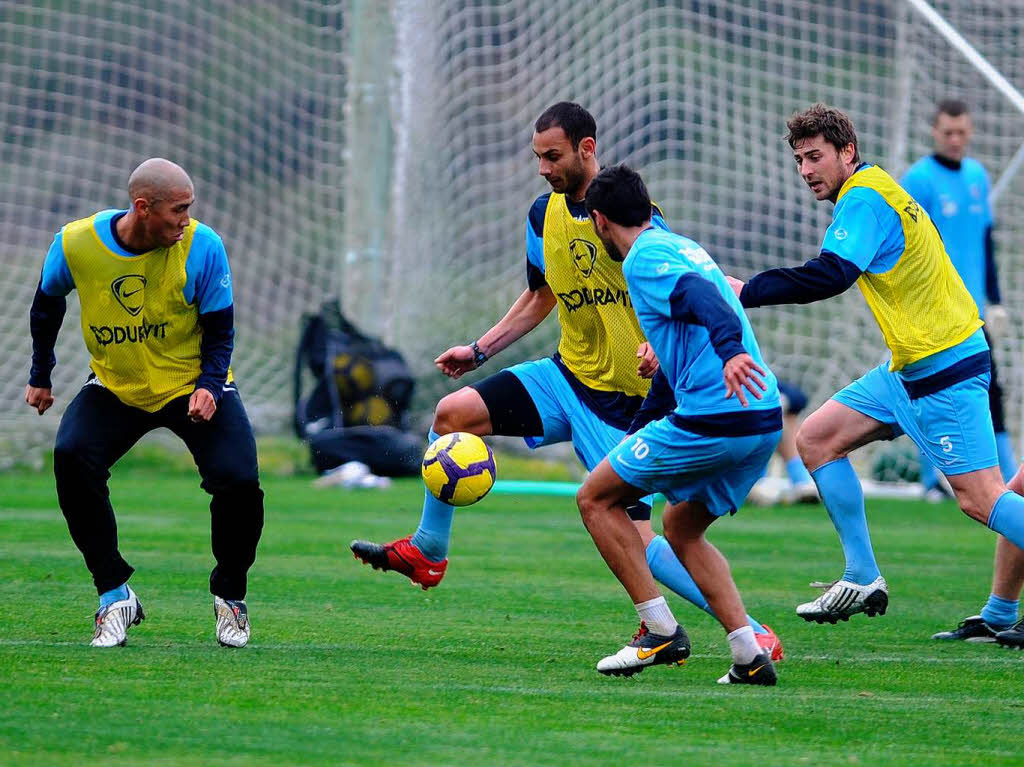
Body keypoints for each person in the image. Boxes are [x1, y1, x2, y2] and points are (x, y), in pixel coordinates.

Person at [349, 102, 782, 660]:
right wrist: (480, 349)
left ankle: (748, 630)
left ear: (587, 149)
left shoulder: (636, 223)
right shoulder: (541, 216)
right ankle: (430, 549)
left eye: (552, 156)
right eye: (537, 158)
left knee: (639, 537)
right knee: (452, 414)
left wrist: (658, 348)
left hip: (624, 406)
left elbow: (684, 293)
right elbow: (540, 295)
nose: (543, 168)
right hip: (565, 377)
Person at [727, 103, 1024, 626]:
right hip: (907, 371)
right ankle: (863, 576)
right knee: (815, 438)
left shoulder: (864, 196)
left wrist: (745, 290)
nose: (806, 170)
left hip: (944, 366)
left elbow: (830, 276)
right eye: (799, 159)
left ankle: (994, 609)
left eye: (815, 157)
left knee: (981, 499)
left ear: (848, 152)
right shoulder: (874, 184)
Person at [24, 158, 264, 648]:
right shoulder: (76, 243)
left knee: (239, 480)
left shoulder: (203, 245)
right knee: (72, 456)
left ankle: (231, 596)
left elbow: (221, 329)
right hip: (117, 387)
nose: (185, 220)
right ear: (142, 207)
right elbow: (47, 302)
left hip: (191, 384)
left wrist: (210, 386)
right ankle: (114, 595)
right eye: (178, 210)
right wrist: (40, 376)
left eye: (189, 209)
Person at [580, 164, 782, 685]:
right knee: (681, 526)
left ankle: (658, 630)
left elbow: (703, 297)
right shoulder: (682, 243)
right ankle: (748, 653)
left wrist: (732, 351)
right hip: (763, 417)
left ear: (601, 220)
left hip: (717, 415)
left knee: (594, 498)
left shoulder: (643, 259)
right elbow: (690, 327)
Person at [900, 99, 1024, 646]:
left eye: (964, 132)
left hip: (974, 322)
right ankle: (998, 613)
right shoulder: (918, 180)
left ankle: (999, 610)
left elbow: (988, 244)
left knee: (1001, 479)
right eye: (949, 131)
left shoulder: (976, 175)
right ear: (935, 131)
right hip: (941, 324)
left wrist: (995, 300)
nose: (957, 139)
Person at [746, 380, 819, 506]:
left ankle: (800, 484)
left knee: (780, 415)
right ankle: (800, 480)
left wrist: (780, 402)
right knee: (769, 414)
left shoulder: (756, 374)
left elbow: (797, 398)